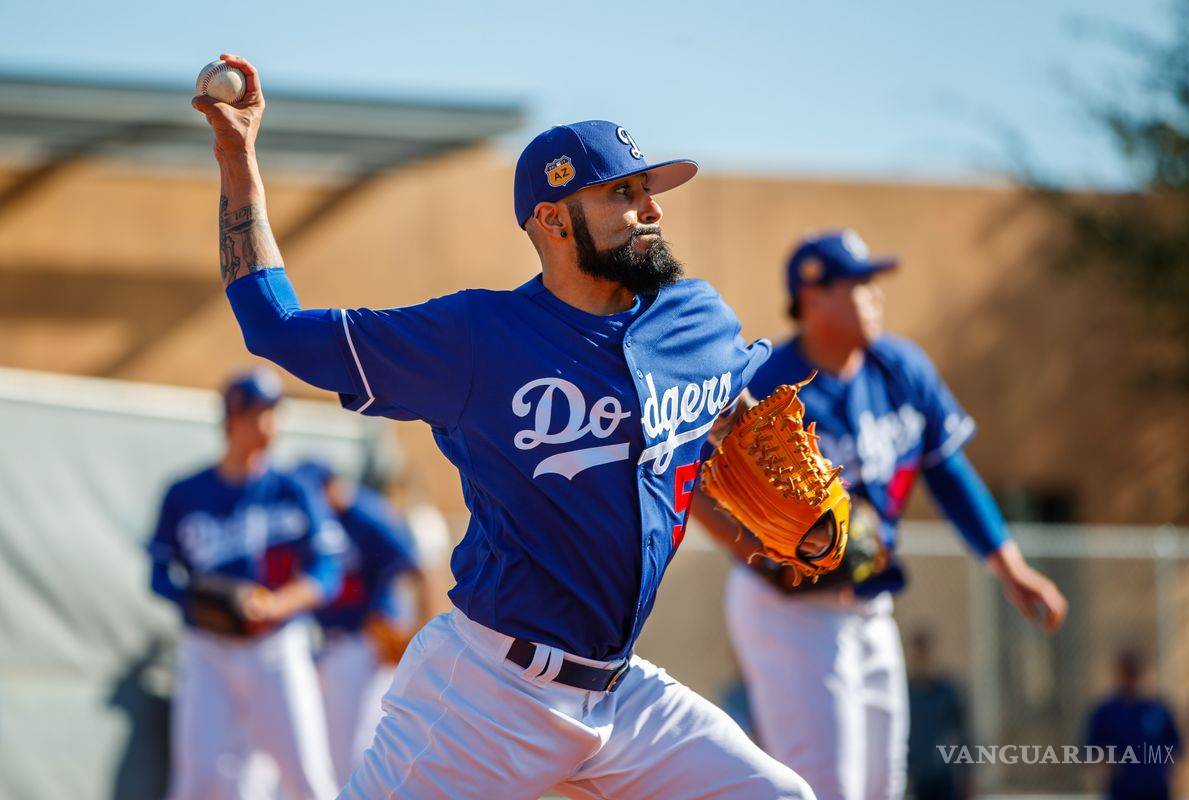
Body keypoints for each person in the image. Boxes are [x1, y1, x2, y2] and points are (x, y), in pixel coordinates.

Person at [192, 54, 812, 799]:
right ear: (552, 219)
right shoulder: (476, 339)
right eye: (622, 192)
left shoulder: (697, 319)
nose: (650, 208)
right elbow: (276, 327)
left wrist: (750, 441)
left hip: (619, 696)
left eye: (647, 189)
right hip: (487, 694)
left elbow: (729, 413)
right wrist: (238, 156)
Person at [692, 229, 1068, 800]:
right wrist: (760, 558)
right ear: (812, 298)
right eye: (858, 284)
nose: (874, 295)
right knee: (825, 788)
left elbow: (949, 472)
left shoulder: (899, 368)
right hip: (788, 611)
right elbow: (694, 482)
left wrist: (1009, 566)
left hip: (870, 600)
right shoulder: (764, 380)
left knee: (882, 786)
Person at [147, 367, 344, 799]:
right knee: (197, 781)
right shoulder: (185, 493)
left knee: (308, 778)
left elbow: (328, 571)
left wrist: (277, 605)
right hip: (207, 651)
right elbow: (159, 575)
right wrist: (198, 604)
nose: (270, 423)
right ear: (232, 420)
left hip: (276, 648)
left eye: (274, 412)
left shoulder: (294, 489)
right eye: (259, 412)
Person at [292, 459, 437, 786]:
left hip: (367, 641)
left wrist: (421, 633)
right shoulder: (313, 525)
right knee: (331, 749)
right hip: (331, 646)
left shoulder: (364, 513)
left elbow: (419, 568)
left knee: (355, 750)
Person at [1084, 649, 1182, 800]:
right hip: (1122, 790)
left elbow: (1176, 746)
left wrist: (1163, 770)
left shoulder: (1157, 708)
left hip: (1156, 790)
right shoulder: (1106, 712)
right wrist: (1107, 763)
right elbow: (1091, 749)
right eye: (1127, 673)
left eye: (1133, 673)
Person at [906, 630, 970, 800]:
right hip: (916, 781)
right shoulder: (904, 695)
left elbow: (962, 733)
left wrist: (967, 776)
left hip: (944, 778)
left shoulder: (946, 692)